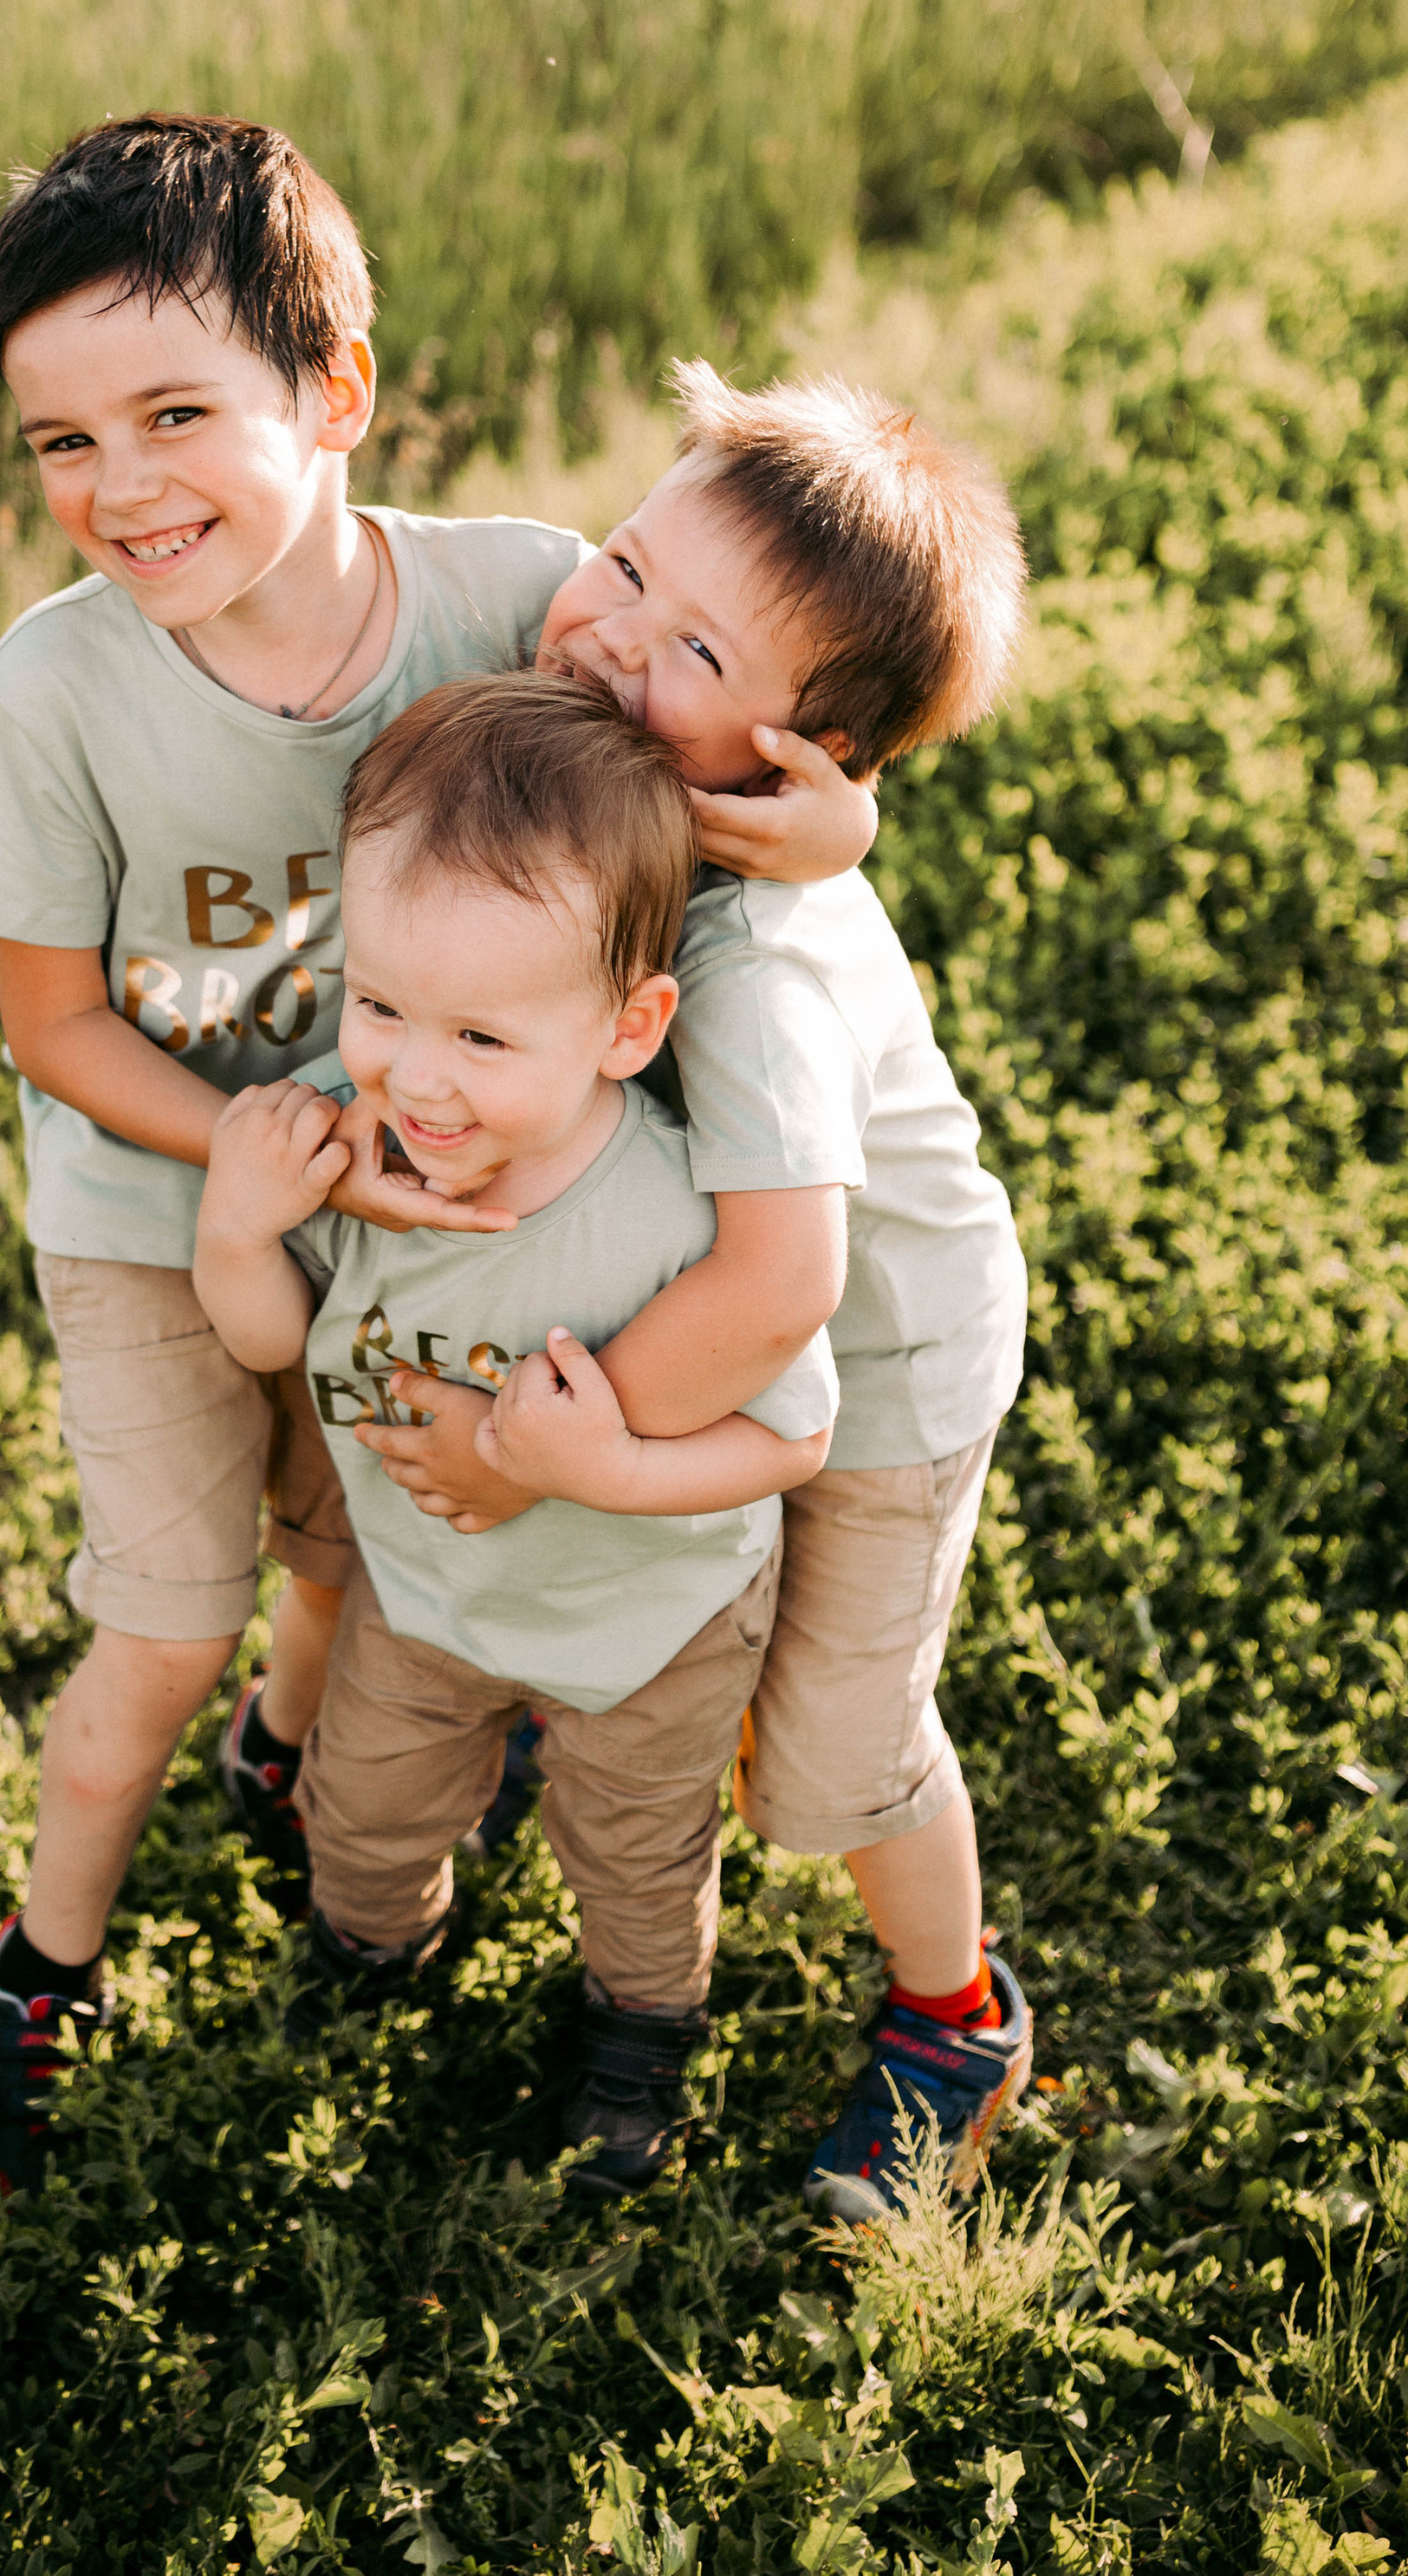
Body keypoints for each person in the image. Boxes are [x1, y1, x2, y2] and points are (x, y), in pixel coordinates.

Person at [0, 115, 874, 2189]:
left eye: (173, 412)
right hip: (162, 1208)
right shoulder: (46, 700)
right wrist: (288, 1150)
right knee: (169, 1611)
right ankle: (41, 1965)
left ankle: (315, 1781)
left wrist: (842, 830)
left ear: (333, 391)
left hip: (438, 1213)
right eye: (60, 441)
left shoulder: (514, 594)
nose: (118, 485)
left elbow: (687, 803)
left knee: (355, 1545)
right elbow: (52, 1026)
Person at [357, 366, 1036, 2221]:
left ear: (799, 760)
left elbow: (777, 1275)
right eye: (628, 563)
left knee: (826, 1745)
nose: (607, 635)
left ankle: (948, 2011)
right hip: (709, 1307)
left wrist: (519, 1447)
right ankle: (533, 1713)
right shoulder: (620, 728)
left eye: (688, 644)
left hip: (871, 1366)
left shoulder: (753, 956)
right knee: (661, 1592)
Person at [193, 673, 839, 2195]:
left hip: (652, 1618)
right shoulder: (355, 1152)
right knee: (360, 1810)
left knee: (633, 1853)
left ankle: (641, 2028)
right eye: (381, 1007)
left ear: (631, 1028)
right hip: (428, 1594)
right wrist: (237, 1227)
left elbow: (792, 1440)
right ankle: (375, 1944)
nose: (418, 1075)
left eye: (482, 1035)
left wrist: (602, 1467)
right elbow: (276, 1343)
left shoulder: (680, 1211)